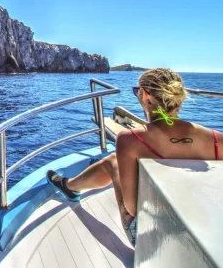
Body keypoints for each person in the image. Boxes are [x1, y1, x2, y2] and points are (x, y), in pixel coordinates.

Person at [46, 68, 220, 246]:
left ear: (144, 94)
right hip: (209, 231)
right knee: (113, 160)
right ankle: (69, 186)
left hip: (155, 238)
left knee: (114, 163)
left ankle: (69, 187)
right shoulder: (216, 139)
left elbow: (132, 208)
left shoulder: (131, 139)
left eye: (137, 91)